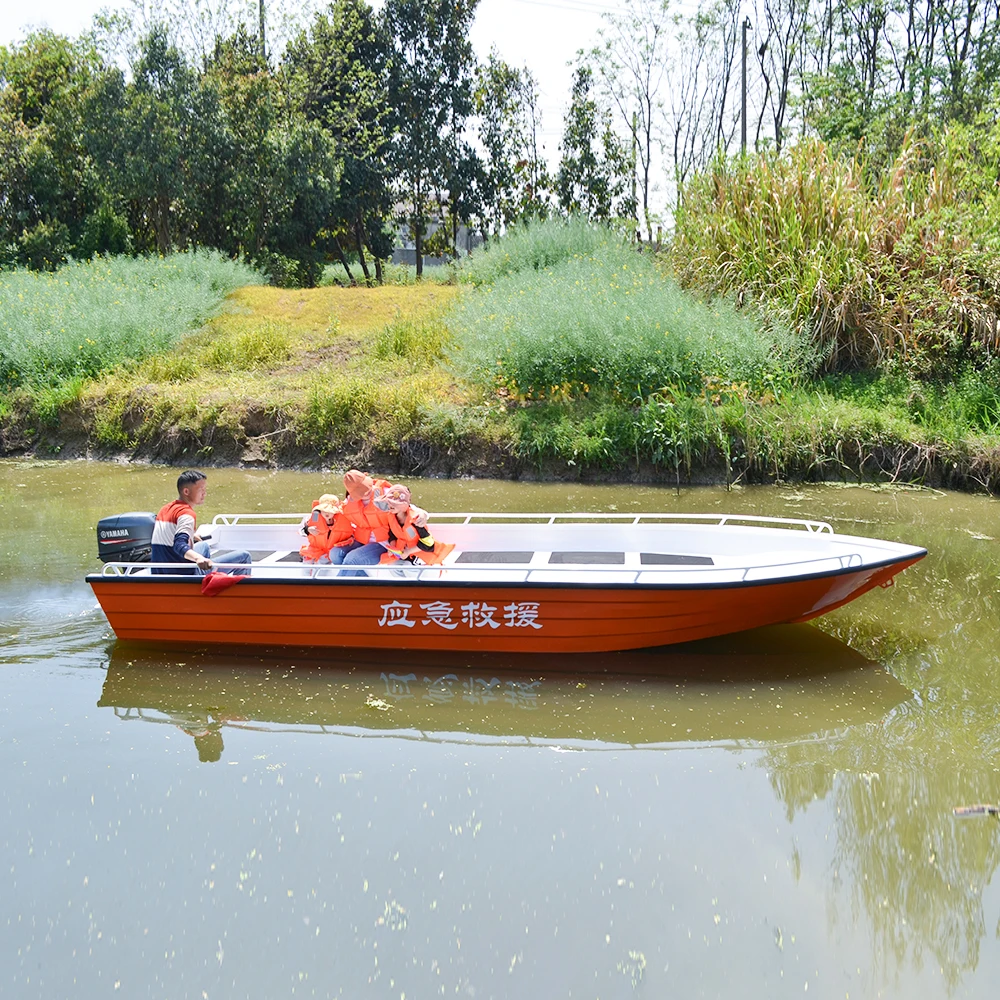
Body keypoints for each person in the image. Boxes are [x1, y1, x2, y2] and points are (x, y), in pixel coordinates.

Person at [151, 469, 252, 576]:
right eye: (201, 489)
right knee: (244, 557)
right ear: (186, 492)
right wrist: (199, 558)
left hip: (160, 570)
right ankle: (207, 583)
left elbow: (169, 533)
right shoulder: (187, 514)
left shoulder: (165, 509)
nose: (204, 493)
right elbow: (179, 546)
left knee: (203, 545)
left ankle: (208, 580)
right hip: (182, 574)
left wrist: (192, 535)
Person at [377, 484, 453, 566]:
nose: (389, 506)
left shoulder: (416, 519)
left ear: (403, 505)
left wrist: (408, 552)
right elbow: (392, 534)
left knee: (407, 567)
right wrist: (392, 548)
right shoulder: (391, 517)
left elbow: (428, 543)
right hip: (404, 553)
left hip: (421, 553)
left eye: (394, 503)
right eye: (389, 503)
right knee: (392, 565)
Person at [299, 494, 354, 565]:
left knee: (323, 564)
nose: (326, 513)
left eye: (330, 510)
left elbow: (352, 534)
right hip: (315, 550)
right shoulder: (314, 517)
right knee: (307, 563)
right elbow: (301, 532)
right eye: (323, 510)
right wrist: (308, 529)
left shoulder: (344, 520)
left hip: (332, 553)